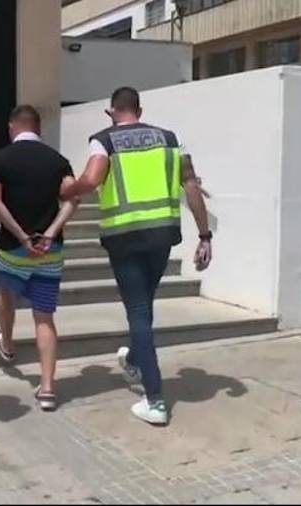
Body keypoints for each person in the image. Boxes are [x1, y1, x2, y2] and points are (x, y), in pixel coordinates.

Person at [61, 87, 213, 426]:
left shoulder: (104, 140)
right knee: (144, 304)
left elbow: (91, 179)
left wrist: (66, 190)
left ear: (112, 112)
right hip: (162, 234)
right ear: (139, 111)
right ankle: (132, 358)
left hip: (124, 236)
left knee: (139, 312)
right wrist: (204, 235)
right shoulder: (171, 139)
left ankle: (155, 399)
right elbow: (190, 186)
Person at [0, 105, 79, 411]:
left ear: (13, 126)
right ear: (38, 128)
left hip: (12, 248)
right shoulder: (58, 161)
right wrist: (50, 232)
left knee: (5, 293)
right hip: (49, 253)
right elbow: (72, 198)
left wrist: (21, 235)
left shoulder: (0, 159)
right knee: (44, 316)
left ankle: (8, 344)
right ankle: (49, 388)